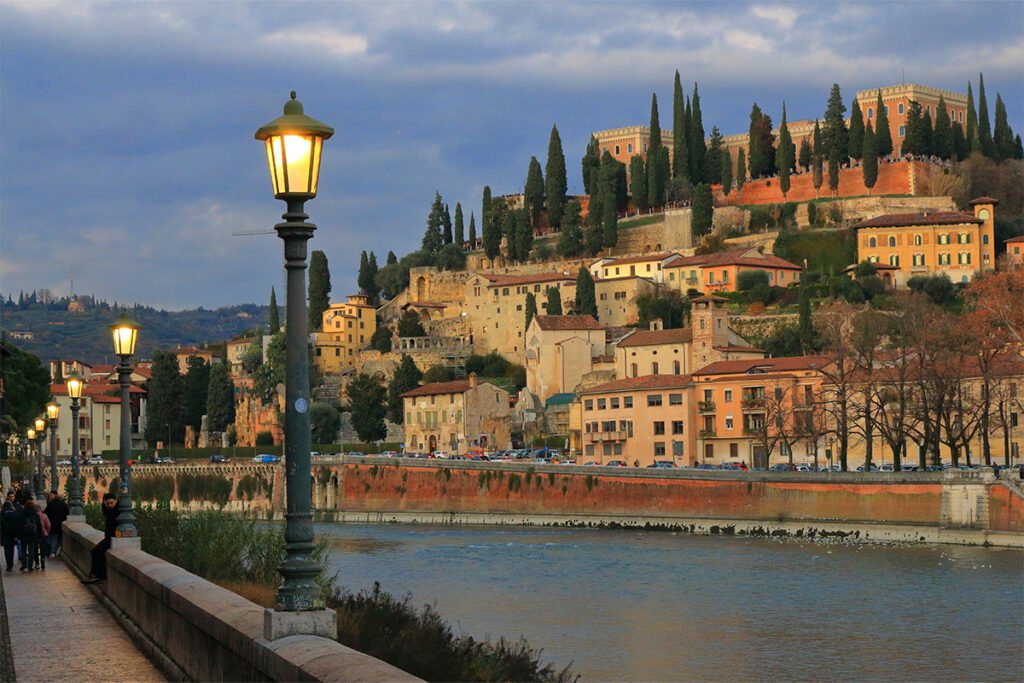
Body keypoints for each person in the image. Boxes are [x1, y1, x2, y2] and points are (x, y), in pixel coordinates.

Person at [82, 493, 117, 584]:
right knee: (96, 551)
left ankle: (97, 575)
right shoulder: (109, 510)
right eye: (107, 503)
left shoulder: (118, 510)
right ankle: (96, 575)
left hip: (113, 538)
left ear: (116, 501)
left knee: (96, 552)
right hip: (109, 537)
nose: (109, 505)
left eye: (111, 503)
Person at [44, 490, 69, 558]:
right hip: (58, 524)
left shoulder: (51, 504)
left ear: (55, 495)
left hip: (50, 524)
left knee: (49, 538)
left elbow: (45, 513)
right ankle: (52, 552)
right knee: (55, 538)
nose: (50, 497)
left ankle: (48, 551)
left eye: (51, 495)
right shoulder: (63, 504)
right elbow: (67, 514)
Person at [19, 499, 42, 571]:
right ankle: (30, 566)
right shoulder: (36, 515)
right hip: (33, 535)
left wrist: (18, 535)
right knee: (31, 552)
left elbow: (19, 525)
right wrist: (39, 536)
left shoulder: (22, 514)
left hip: (23, 535)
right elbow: (39, 526)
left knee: (23, 551)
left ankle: (24, 565)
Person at [1, 501, 21, 572]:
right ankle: (11, 564)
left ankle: (8, 564)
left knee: (6, 550)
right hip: (13, 535)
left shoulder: (1, 514)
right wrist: (17, 534)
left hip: (4, 535)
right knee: (11, 549)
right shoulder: (15, 513)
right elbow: (18, 524)